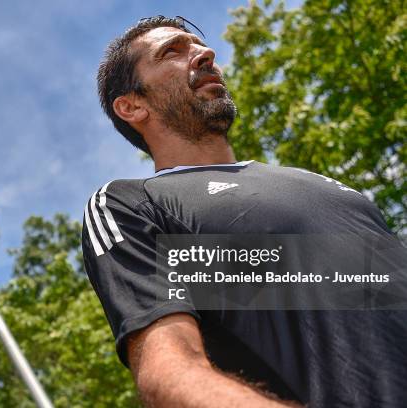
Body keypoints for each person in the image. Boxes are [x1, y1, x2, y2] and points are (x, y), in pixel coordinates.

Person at [82, 16, 407, 408]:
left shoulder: (319, 183)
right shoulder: (132, 203)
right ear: (132, 106)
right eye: (172, 51)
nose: (206, 54)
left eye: (198, 46)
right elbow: (169, 374)